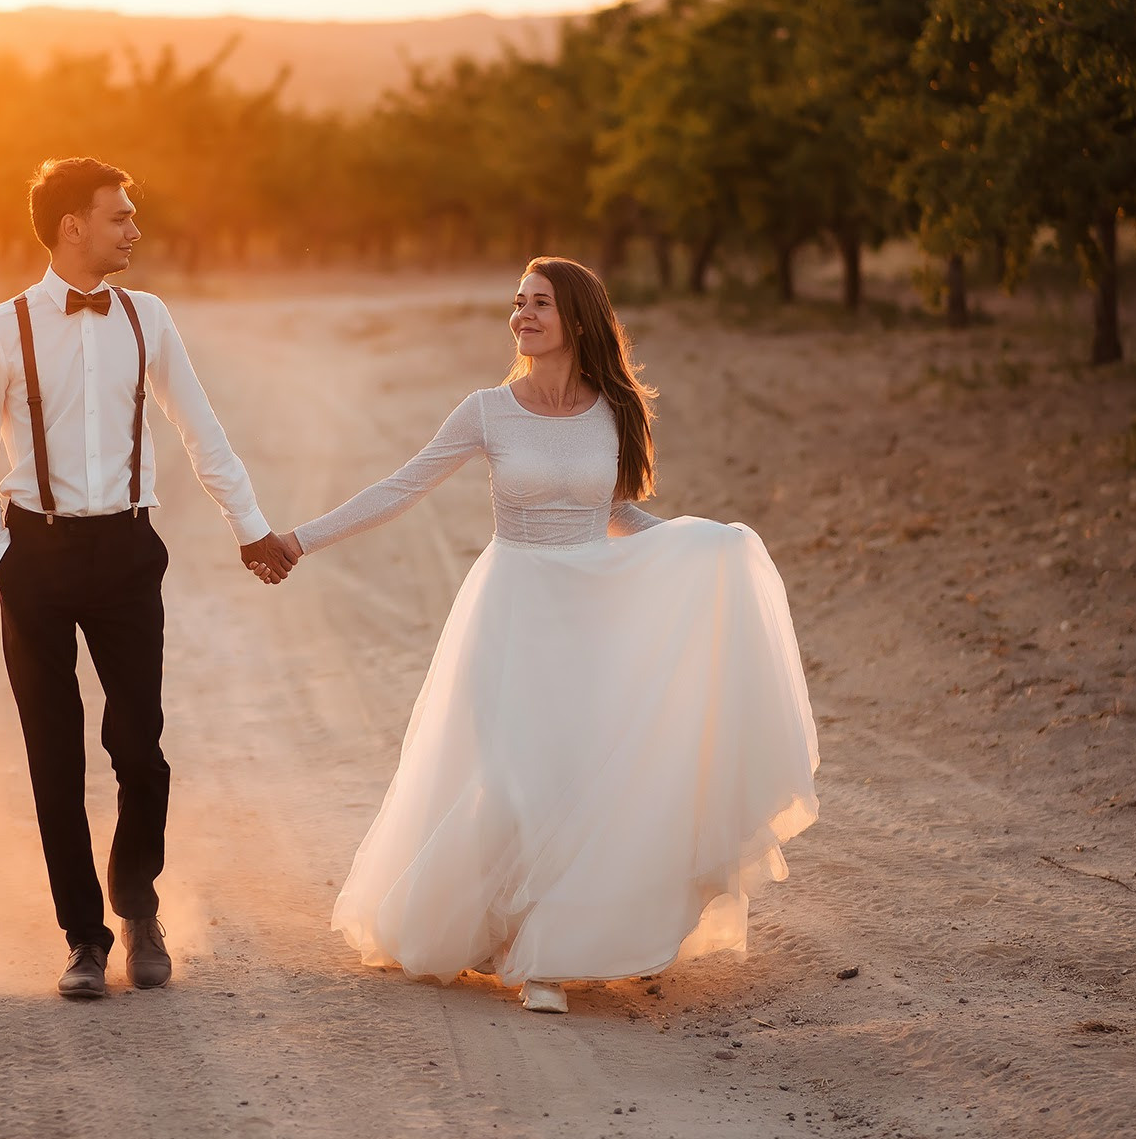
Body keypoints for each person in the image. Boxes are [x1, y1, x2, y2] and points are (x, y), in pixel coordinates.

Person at [278, 256, 819, 1014]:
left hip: (590, 611)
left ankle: (547, 955)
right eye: (518, 302)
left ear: (578, 320)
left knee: (571, 775)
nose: (522, 315)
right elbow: (402, 487)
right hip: (510, 607)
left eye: (540, 304)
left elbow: (613, 512)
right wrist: (298, 540)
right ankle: (504, 932)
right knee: (509, 776)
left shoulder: (614, 410)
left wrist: (703, 548)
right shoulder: (487, 411)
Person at [0, 157, 296, 1000]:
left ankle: (139, 906)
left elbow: (201, 430)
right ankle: (83, 937)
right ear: (73, 225)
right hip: (36, 556)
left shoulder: (149, 317)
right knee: (54, 756)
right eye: (120, 216)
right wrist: (3, 561)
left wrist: (250, 527)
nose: (134, 229)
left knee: (140, 747)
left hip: (129, 551)